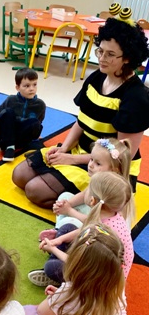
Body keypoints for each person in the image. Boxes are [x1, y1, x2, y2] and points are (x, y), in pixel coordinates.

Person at [12, 17, 149, 208]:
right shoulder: (96, 78)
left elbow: (120, 155)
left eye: (110, 54)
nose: (102, 58)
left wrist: (72, 159)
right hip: (81, 150)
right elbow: (81, 121)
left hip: (107, 165)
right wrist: (64, 148)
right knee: (19, 175)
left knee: (35, 190)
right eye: (100, 51)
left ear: (127, 58)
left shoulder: (136, 97)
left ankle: (93, 203)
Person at [29, 171, 134, 287]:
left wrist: (53, 249)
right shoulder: (111, 217)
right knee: (67, 229)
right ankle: (56, 265)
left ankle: (59, 277)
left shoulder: (101, 236)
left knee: (51, 267)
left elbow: (78, 262)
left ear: (92, 200)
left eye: (88, 189)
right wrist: (59, 240)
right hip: (93, 263)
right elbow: (85, 229)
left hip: (96, 283)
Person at [38, 137, 132, 241]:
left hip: (100, 233)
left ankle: (62, 236)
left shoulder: (114, 192)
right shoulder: (99, 180)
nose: (90, 165)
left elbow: (95, 224)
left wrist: (69, 211)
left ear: (113, 170)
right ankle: (59, 230)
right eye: (91, 159)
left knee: (72, 221)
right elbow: (84, 195)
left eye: (98, 164)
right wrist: (66, 204)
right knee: (65, 197)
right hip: (91, 218)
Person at [0, 67, 46, 162]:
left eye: (34, 85)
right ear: (18, 88)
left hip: (21, 137)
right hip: (5, 133)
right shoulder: (11, 100)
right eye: (27, 86)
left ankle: (5, 145)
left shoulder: (40, 104)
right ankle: (9, 146)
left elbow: (39, 121)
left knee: (35, 122)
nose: (32, 89)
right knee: (8, 112)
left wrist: (35, 132)